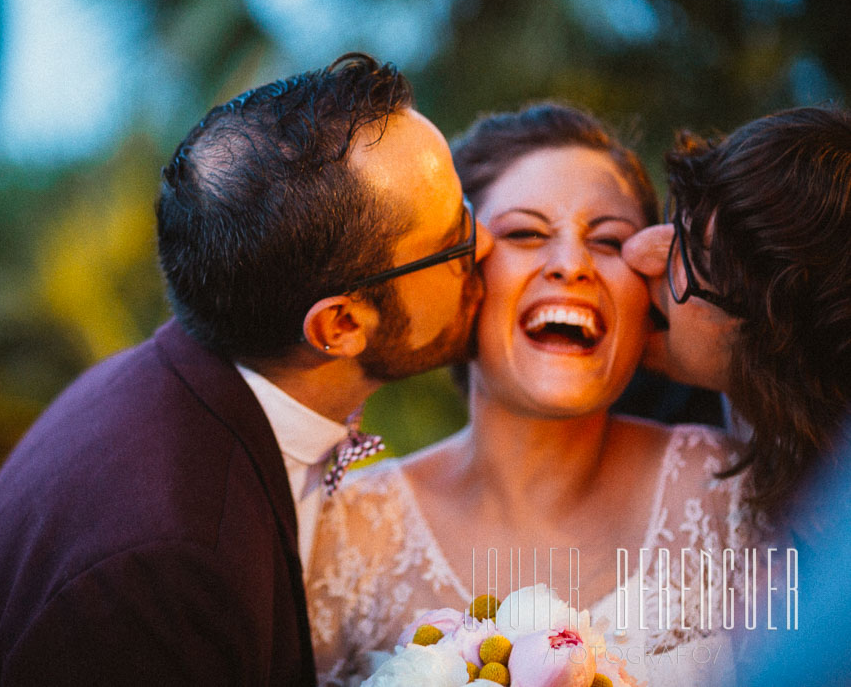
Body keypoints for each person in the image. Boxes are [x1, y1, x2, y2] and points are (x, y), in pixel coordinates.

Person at [0, 53, 491, 685]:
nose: (489, 245)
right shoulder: (169, 568)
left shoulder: (158, 390)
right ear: (338, 326)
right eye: (455, 241)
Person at [305, 103, 764, 687]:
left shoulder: (732, 488)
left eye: (608, 240)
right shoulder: (346, 536)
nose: (572, 265)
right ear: (458, 280)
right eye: (524, 233)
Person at [619, 105, 851, 682]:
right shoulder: (637, 398)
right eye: (680, 216)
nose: (639, 250)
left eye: (689, 261)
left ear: (772, 349)